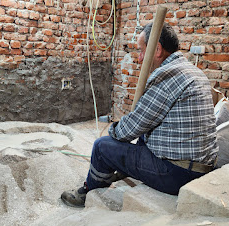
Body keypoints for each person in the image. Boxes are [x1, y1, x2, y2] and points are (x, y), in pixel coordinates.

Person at [61, 22, 218, 208]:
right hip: (202, 167)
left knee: (102, 147)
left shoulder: (166, 76)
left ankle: (89, 191)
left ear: (157, 50)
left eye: (142, 51)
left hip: (177, 173)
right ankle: (123, 168)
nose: (140, 58)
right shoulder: (193, 70)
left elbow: (129, 129)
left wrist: (114, 130)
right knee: (143, 137)